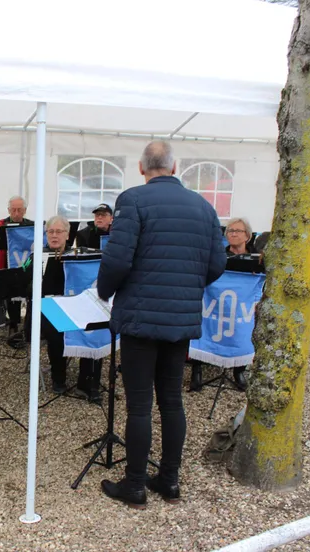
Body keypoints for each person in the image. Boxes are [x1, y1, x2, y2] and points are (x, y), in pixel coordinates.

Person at [97, 140, 226, 509]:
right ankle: (169, 480)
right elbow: (217, 264)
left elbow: (118, 260)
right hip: (180, 318)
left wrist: (104, 291)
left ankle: (135, 484)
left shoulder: (132, 200)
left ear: (141, 168)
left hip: (140, 316)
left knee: (139, 406)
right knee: (171, 401)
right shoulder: (204, 207)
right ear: (174, 167)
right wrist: (187, 285)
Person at [24, 215, 103, 402]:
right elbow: (22, 283)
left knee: (93, 329)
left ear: (67, 235)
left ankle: (87, 382)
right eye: (50, 232)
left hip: (73, 305)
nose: (54, 235)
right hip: (47, 306)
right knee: (57, 332)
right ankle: (58, 377)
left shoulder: (77, 256)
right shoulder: (37, 257)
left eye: (59, 232)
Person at [190, 217, 256, 392]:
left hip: (240, 307)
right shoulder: (217, 256)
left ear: (247, 236)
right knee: (203, 330)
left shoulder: (258, 259)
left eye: (237, 231)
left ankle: (238, 370)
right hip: (213, 303)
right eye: (230, 231)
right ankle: (197, 370)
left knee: (241, 334)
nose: (233, 234)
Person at [0, 196, 33, 333]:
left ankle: (29, 326)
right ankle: (13, 325)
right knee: (11, 289)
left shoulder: (31, 226)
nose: (16, 213)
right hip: (5, 269)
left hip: (26, 268)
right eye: (13, 210)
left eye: (20, 210)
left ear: (25, 210)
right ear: (8, 210)